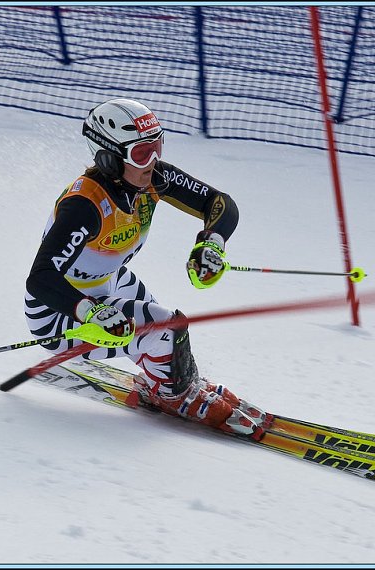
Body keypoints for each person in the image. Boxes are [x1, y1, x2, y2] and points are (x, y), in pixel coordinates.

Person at [24, 98, 265, 438]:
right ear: (108, 157)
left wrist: (211, 243)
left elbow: (220, 204)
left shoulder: (153, 179)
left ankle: (171, 376)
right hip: (58, 311)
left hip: (110, 281)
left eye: (157, 147)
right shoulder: (85, 206)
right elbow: (40, 278)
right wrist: (91, 313)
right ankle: (174, 393)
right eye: (141, 153)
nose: (152, 162)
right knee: (166, 327)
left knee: (164, 331)